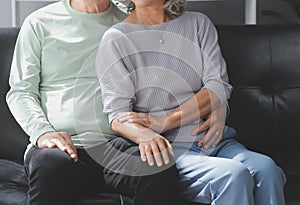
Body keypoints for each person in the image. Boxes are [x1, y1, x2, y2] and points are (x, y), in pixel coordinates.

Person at [95, 0, 287, 204]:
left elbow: (218, 85)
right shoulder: (116, 39)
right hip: (172, 149)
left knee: (267, 169)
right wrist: (147, 134)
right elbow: (117, 116)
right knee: (233, 175)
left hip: (214, 140)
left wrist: (165, 121)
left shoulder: (198, 23)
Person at [6, 0, 198, 204]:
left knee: (158, 165)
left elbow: (167, 71)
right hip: (60, 147)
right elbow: (20, 91)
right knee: (51, 166)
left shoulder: (132, 18)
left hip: (116, 143)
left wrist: (212, 105)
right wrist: (43, 132)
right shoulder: (39, 23)